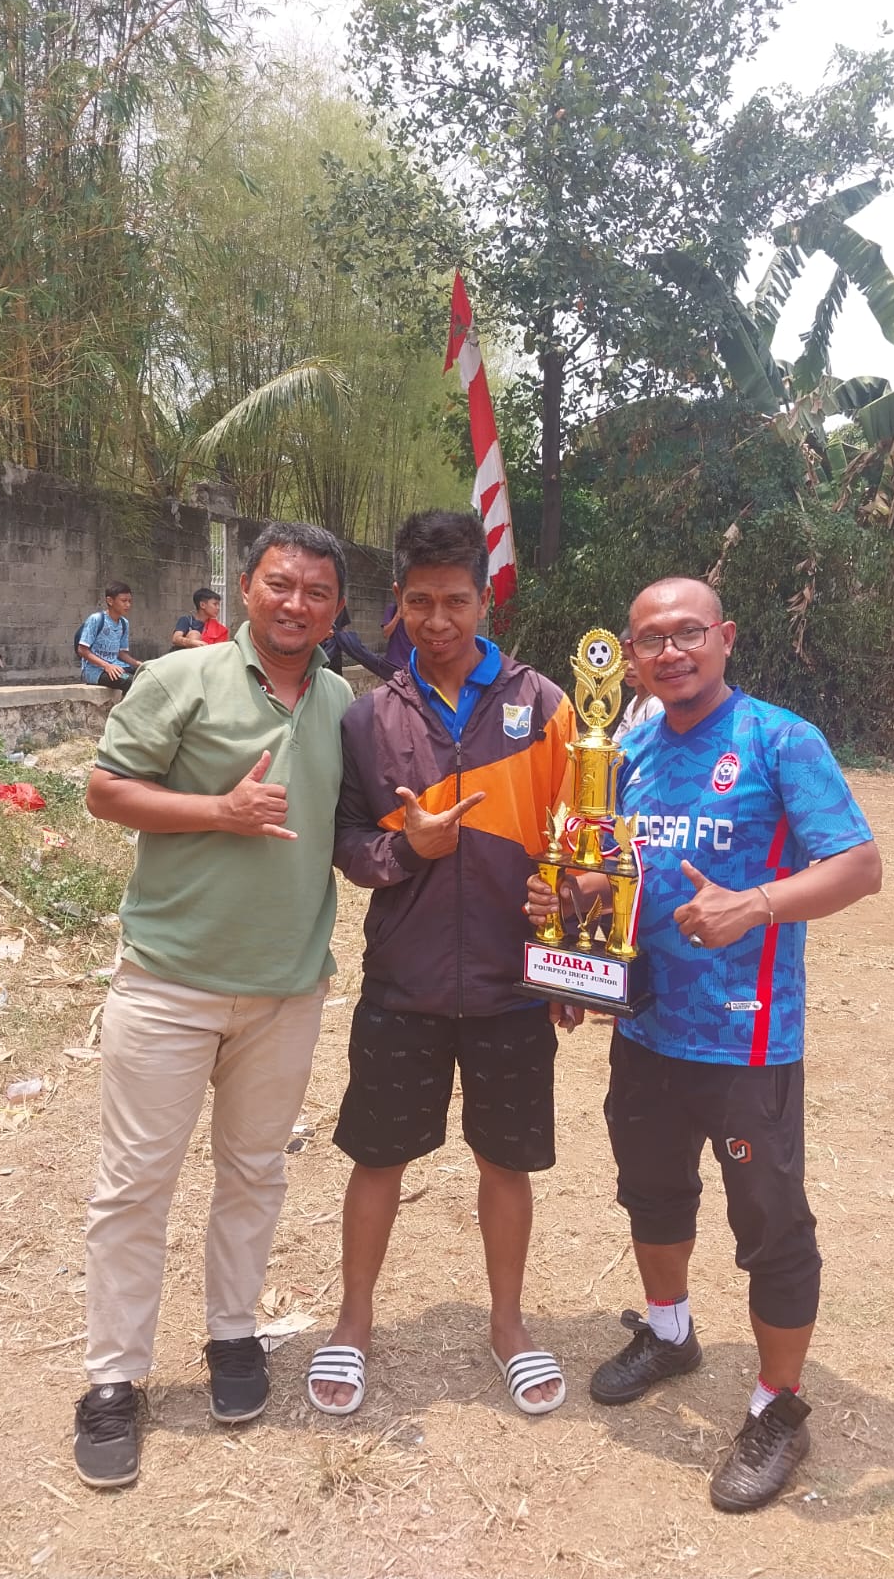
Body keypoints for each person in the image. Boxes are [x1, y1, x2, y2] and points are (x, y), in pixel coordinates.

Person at [526, 576, 881, 1512]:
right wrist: (572, 929)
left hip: (746, 1037)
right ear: (629, 657)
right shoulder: (627, 750)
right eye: (651, 639)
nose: (670, 651)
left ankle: (777, 1407)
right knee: (652, 1191)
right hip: (646, 1027)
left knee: (770, 1224)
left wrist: (755, 903)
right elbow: (615, 872)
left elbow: (858, 865)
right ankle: (670, 1331)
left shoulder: (780, 740)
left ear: (725, 637)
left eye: (688, 633)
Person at [72, 522, 353, 1490]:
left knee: (255, 1173)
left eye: (316, 591)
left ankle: (233, 1334)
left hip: (286, 988)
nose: (296, 603)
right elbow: (105, 790)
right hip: (169, 981)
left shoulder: (342, 703)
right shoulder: (179, 679)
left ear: (337, 609)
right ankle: (114, 1380)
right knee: (134, 1186)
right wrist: (218, 813)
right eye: (280, 584)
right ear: (245, 586)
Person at [307, 510, 577, 1420]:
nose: (437, 621)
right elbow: (348, 843)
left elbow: (581, 846)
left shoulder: (548, 707)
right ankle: (353, 1323)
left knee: (506, 1163)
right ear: (398, 601)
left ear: (484, 598)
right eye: (419, 602)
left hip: (510, 987)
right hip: (405, 983)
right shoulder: (369, 717)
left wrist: (567, 938)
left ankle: (509, 1325)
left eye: (455, 601)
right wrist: (405, 851)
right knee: (377, 1159)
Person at [78, 582, 142, 689]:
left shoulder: (124, 623)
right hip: (97, 671)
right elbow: (82, 650)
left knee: (146, 675)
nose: (128, 605)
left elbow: (121, 653)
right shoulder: (96, 619)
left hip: (118, 667)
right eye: (124, 601)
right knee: (129, 680)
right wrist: (106, 665)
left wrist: (138, 664)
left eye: (129, 601)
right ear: (110, 601)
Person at [614, 631, 664, 739]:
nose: (629, 666)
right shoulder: (633, 702)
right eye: (625, 659)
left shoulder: (657, 705)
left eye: (636, 659)